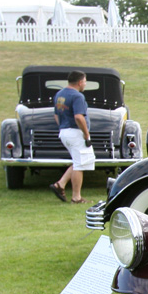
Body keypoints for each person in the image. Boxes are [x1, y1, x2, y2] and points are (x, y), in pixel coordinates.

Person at [51, 70, 92, 204]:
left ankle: (60, 184)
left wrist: (63, 126)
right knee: (80, 164)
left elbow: (56, 115)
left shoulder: (59, 94)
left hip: (64, 131)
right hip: (75, 132)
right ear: (80, 82)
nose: (85, 84)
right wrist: (86, 134)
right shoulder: (77, 96)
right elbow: (79, 117)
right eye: (85, 81)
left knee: (78, 161)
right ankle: (76, 197)